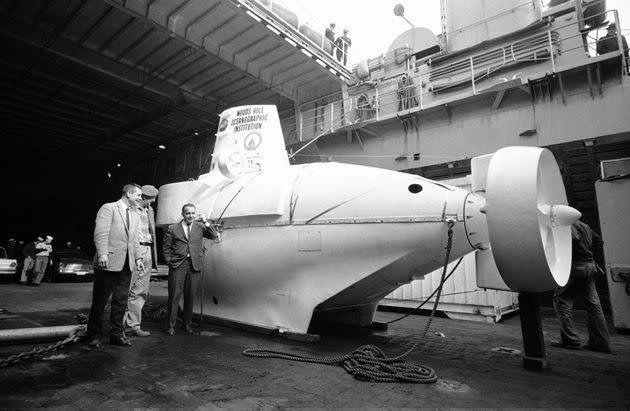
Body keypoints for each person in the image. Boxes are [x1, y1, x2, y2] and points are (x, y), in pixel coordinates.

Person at [86, 184, 145, 348]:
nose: (140, 198)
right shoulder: (109, 208)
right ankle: (94, 335)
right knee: (100, 301)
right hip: (108, 262)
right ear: (128, 194)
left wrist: (138, 257)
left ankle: (116, 335)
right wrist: (103, 253)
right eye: (138, 195)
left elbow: (135, 239)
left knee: (120, 301)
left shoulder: (135, 213)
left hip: (127, 264)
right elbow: (101, 232)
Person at [552, 219, 611, 353]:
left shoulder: (566, 225)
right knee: (594, 305)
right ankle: (601, 342)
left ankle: (571, 339)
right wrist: (589, 256)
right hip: (590, 266)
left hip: (575, 267)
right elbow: (598, 241)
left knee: (561, 300)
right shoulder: (585, 225)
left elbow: (573, 238)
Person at [162, 204, 219, 336]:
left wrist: (205, 221)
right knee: (174, 296)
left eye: (193, 213)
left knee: (190, 296)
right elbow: (166, 248)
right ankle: (170, 326)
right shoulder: (173, 228)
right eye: (188, 213)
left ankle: (186, 324)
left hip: (194, 265)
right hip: (178, 265)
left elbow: (214, 235)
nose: (191, 216)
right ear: (183, 214)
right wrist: (170, 261)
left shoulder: (200, 227)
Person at [124, 184, 159, 337]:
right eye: (151, 199)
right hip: (133, 251)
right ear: (143, 197)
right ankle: (120, 325)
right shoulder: (130, 209)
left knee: (141, 290)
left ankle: (134, 326)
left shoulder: (149, 210)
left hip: (148, 250)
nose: (153, 202)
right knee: (127, 289)